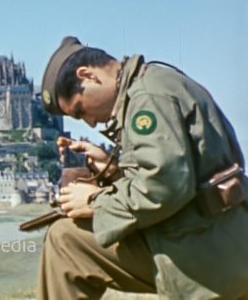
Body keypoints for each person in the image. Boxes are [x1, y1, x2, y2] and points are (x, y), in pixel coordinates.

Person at [38, 36, 248, 299]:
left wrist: (94, 201)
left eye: (81, 110)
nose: (90, 123)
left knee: (65, 241)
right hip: (214, 239)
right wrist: (113, 169)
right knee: (67, 239)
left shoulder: (147, 97)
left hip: (204, 252)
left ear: (87, 75)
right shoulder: (152, 84)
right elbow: (175, 172)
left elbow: (165, 187)